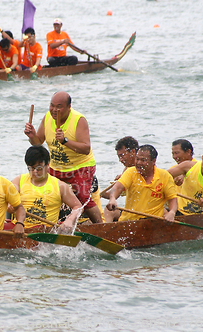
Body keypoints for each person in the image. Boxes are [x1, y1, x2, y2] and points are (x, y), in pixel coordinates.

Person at [24, 91, 103, 223]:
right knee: (43, 190)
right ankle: (50, 223)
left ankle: (100, 226)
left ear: (69, 107)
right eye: (52, 105)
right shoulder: (47, 118)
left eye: (59, 106)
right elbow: (38, 143)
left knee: (82, 195)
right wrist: (32, 136)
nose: (54, 110)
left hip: (80, 166)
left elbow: (86, 148)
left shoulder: (79, 120)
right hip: (56, 167)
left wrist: (65, 141)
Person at [11, 146, 82, 233]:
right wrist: (9, 206)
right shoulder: (18, 180)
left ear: (48, 165)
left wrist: (70, 220)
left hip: (45, 231)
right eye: (31, 168)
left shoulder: (60, 186)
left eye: (39, 168)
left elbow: (78, 207)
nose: (34, 172)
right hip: (19, 227)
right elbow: (6, 201)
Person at [106, 145, 178, 222]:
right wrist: (112, 199)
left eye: (143, 160)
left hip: (153, 222)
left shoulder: (164, 176)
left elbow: (172, 199)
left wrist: (172, 212)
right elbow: (117, 187)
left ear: (153, 161)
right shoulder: (131, 172)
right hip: (129, 221)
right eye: (137, 159)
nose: (139, 163)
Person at [101, 136, 139, 221]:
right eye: (118, 156)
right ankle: (104, 231)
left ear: (133, 152)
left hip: (144, 212)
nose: (120, 160)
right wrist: (98, 193)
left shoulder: (144, 168)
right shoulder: (127, 169)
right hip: (130, 212)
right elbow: (114, 194)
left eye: (122, 155)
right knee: (109, 210)